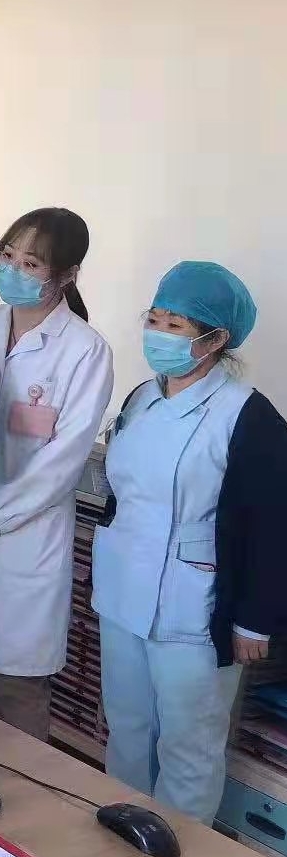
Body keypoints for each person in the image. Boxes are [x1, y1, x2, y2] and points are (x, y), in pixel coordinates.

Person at [94, 262, 286, 823]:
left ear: (216, 339)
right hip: (123, 591)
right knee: (127, 728)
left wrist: (255, 619)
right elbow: (120, 494)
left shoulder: (248, 416)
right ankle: (122, 835)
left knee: (189, 744)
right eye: (154, 320)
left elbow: (274, 525)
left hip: (194, 606)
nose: (159, 334)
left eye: (175, 325)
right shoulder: (140, 399)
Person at [0, 208, 114, 739]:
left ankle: (25, 790)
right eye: (8, 256)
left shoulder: (85, 351)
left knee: (18, 688)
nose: (13, 270)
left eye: (32, 263)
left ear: (66, 275)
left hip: (26, 537)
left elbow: (62, 462)